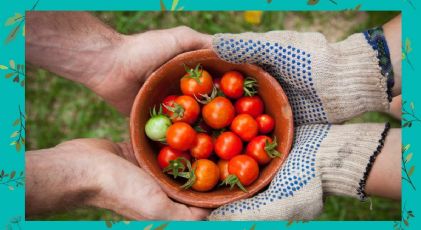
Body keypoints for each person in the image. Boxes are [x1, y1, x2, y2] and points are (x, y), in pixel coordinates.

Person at [26, 12, 401, 220]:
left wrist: (350, 69)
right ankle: (357, 140)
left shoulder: (202, 120)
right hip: (238, 142)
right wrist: (349, 157)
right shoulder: (201, 134)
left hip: (241, 136)